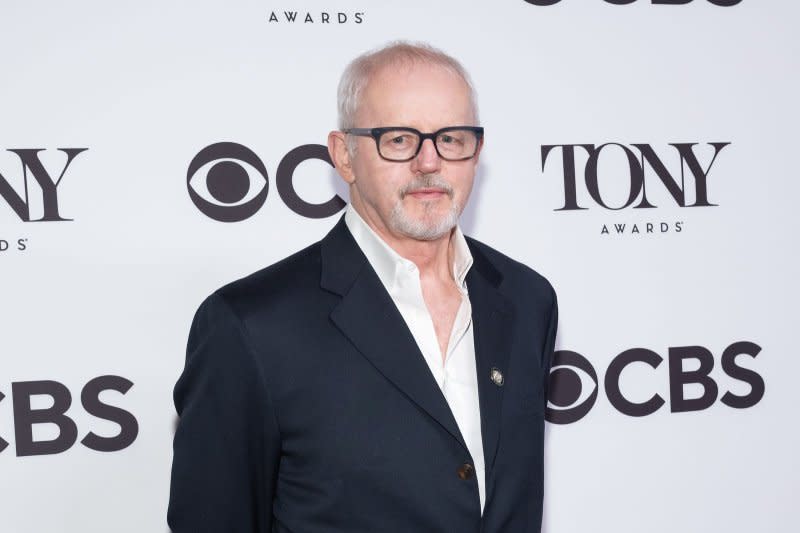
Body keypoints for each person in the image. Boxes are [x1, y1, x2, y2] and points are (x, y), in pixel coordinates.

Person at [168, 41, 558, 533]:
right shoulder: (250, 326)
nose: (429, 162)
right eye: (399, 139)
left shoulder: (527, 300)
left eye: (452, 138)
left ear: (476, 151)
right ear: (344, 156)